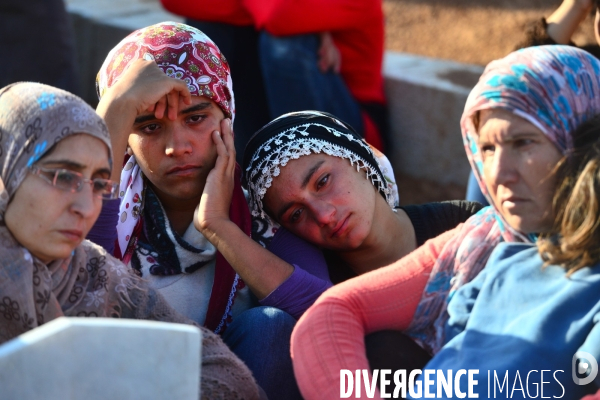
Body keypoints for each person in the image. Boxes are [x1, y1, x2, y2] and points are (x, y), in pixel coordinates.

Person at [289, 44, 600, 399]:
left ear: (581, 141)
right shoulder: (484, 237)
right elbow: (329, 316)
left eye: (523, 142)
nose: (497, 173)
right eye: (487, 149)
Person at [93, 21, 321, 399]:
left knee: (271, 328)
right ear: (125, 141)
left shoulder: (264, 205)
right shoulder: (107, 203)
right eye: (149, 127)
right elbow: (71, 281)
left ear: (227, 116)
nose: (176, 146)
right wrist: (115, 108)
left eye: (195, 118)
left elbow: (325, 308)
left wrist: (218, 226)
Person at [0, 82, 261, 399]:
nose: (85, 207)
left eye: (99, 184)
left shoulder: (91, 270)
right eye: (63, 177)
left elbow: (223, 370)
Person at [243, 110, 483, 284]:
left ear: (359, 159)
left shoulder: (467, 225)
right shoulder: (324, 294)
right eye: (296, 214)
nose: (324, 216)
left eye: (323, 181)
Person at [160, 0, 388, 154]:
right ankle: (227, 167)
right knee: (205, 30)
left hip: (356, 130)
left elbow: (277, 16)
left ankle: (294, 167)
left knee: (286, 43)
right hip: (273, 108)